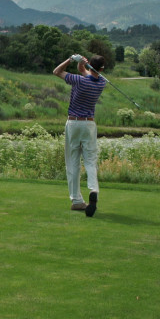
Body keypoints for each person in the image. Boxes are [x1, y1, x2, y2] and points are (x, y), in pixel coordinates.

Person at [53, 54, 107, 217]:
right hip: (89, 124)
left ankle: (77, 200)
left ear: (90, 64)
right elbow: (86, 73)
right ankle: (94, 189)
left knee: (73, 162)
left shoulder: (78, 80)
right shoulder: (102, 82)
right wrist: (84, 64)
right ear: (102, 69)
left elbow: (56, 71)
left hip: (74, 123)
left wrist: (71, 59)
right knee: (90, 160)